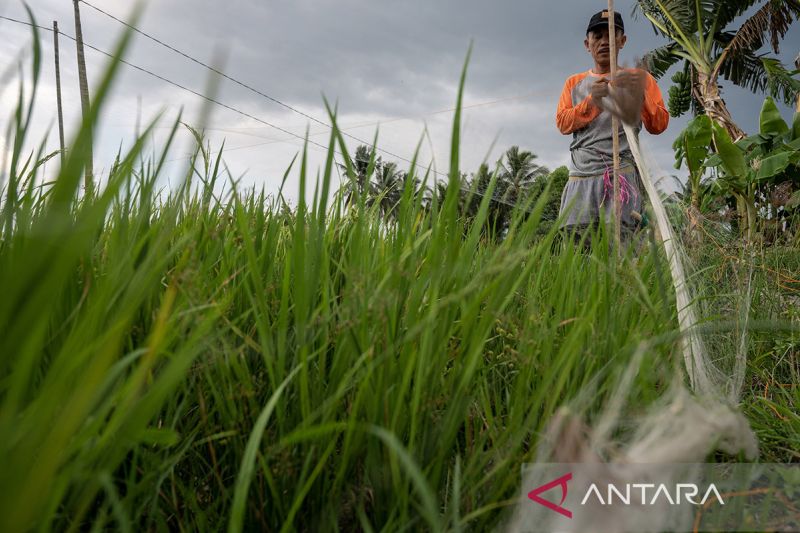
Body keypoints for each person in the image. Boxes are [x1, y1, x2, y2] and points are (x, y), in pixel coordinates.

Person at [556, 10, 669, 247]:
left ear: (622, 40)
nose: (604, 41)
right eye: (597, 36)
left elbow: (659, 124)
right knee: (577, 252)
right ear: (588, 44)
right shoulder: (573, 83)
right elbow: (563, 124)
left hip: (621, 177)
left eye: (611, 34)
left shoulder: (641, 78)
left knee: (624, 250)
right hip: (581, 177)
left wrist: (641, 96)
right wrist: (591, 103)